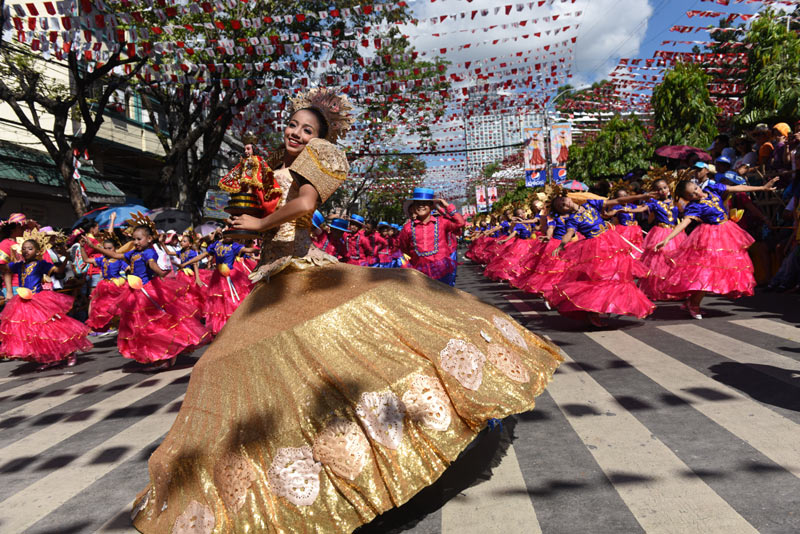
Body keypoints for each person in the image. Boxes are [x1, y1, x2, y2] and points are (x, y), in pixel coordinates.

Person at [132, 88, 561, 534]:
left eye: (308, 129)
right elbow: (269, 226)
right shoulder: (270, 171)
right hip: (270, 282)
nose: (297, 133)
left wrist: (261, 222)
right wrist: (245, 229)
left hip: (302, 274)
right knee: (232, 369)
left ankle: (404, 434)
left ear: (321, 137)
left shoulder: (319, 160)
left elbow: (304, 206)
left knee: (341, 345)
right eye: (294, 125)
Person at [86, 219, 210, 369]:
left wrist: (160, 272)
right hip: (134, 293)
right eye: (134, 239)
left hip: (148, 292)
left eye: (139, 239)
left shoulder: (148, 252)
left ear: (149, 239)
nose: (136, 242)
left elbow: (152, 264)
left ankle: (167, 354)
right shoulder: (133, 253)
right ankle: (155, 355)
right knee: (141, 328)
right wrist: (93, 247)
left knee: (155, 324)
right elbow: (117, 255)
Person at [654, 177, 779, 319]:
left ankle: (691, 302)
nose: (697, 194)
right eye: (692, 195)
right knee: (706, 271)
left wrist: (762, 188)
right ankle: (694, 304)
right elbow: (684, 223)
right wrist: (667, 238)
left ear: (697, 185)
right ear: (688, 198)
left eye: (696, 189)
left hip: (727, 233)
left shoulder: (713, 189)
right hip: (709, 237)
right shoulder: (695, 207)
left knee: (723, 269)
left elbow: (736, 188)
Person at [545, 191, 656, 326]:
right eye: (561, 206)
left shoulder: (590, 204)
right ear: (562, 211)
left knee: (618, 275)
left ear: (567, 197)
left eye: (563, 200)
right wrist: (562, 245)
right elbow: (569, 233)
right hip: (594, 248)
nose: (564, 204)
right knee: (599, 279)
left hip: (610, 240)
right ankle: (594, 312)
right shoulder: (572, 219)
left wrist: (641, 196)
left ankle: (610, 304)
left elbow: (617, 201)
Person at [0, 231, 91, 370]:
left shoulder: (41, 264)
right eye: (23, 249)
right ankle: (49, 358)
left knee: (51, 328)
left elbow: (59, 271)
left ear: (37, 251)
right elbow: (5, 269)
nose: (26, 251)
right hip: (24, 302)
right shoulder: (19, 265)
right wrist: (9, 291)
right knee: (35, 332)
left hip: (40, 300)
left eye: (30, 248)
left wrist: (66, 258)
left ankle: (70, 353)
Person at [180, 235, 257, 335]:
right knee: (219, 303)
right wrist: (186, 264)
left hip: (231, 276)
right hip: (218, 278)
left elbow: (247, 249)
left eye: (230, 235)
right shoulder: (216, 245)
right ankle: (223, 327)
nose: (228, 237)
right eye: (226, 234)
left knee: (232, 300)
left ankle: (237, 323)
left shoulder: (234, 246)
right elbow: (201, 256)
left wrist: (258, 249)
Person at [398, 187, 466, 286]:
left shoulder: (442, 222)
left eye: (425, 203)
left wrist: (447, 206)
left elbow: (460, 223)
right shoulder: (407, 228)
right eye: (417, 203)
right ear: (413, 207)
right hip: (418, 271)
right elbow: (404, 247)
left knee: (444, 296)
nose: (421, 206)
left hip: (441, 269)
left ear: (431, 206)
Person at [637, 177, 686, 301]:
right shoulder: (653, 203)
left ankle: (675, 289)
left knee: (675, 262)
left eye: (664, 187)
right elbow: (642, 209)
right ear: (654, 191)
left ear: (669, 188)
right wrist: (628, 209)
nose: (663, 191)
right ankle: (660, 289)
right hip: (660, 233)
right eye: (659, 189)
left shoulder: (676, 201)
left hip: (676, 233)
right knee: (659, 262)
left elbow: (685, 212)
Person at [79, 235, 128, 334]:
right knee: (101, 307)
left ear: (115, 248)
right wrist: (82, 247)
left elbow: (128, 269)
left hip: (117, 285)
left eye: (110, 248)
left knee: (119, 310)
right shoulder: (102, 259)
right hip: (104, 286)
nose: (107, 250)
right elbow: (86, 260)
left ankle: (123, 332)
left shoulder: (119, 260)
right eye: (105, 248)